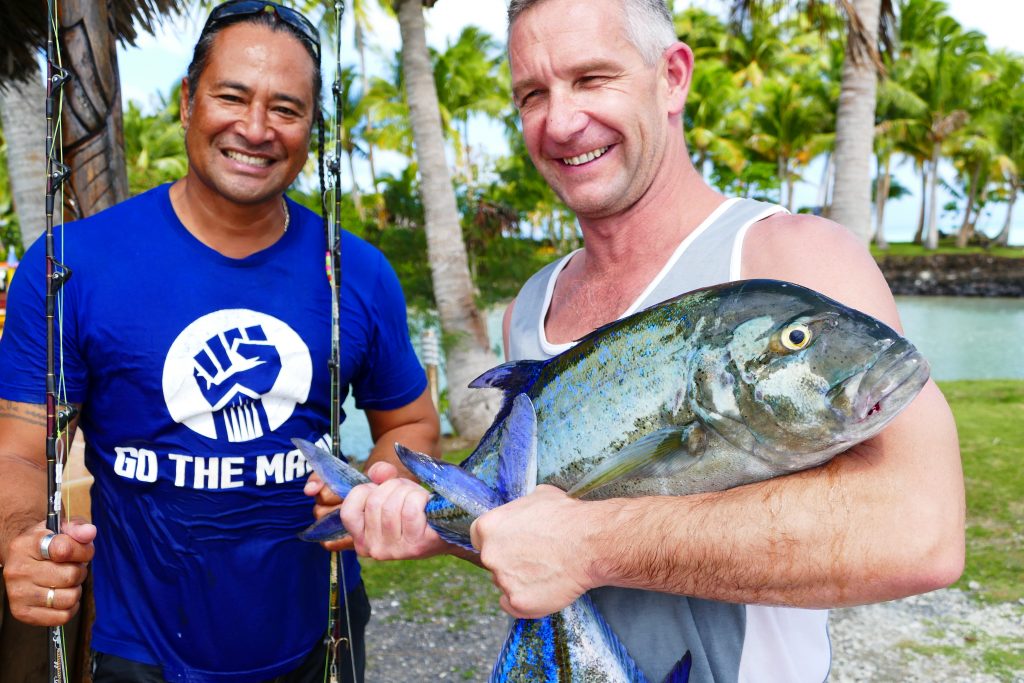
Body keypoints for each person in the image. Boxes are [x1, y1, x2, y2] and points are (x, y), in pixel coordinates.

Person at [336, 0, 966, 681]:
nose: (560, 120)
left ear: (671, 76)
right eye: (532, 94)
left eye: (592, 78)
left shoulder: (793, 255)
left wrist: (591, 544)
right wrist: (436, 525)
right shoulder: (531, 304)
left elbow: (922, 531)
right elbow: (528, 534)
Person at [0, 2, 439, 681]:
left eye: (286, 108)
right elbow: (22, 453)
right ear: (187, 101)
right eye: (232, 96)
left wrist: (387, 478)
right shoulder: (72, 264)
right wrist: (19, 538)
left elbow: (411, 423)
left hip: (322, 636)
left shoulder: (360, 273)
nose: (256, 128)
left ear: (310, 125)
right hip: (143, 651)